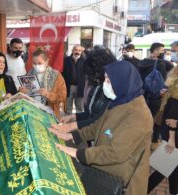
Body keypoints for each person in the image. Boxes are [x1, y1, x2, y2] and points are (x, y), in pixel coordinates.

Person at [50, 61, 153, 195]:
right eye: (105, 78)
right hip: (105, 172)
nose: (105, 84)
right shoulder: (119, 100)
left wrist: (77, 153)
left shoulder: (138, 115)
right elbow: (99, 126)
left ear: (123, 82)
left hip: (122, 181)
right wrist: (72, 135)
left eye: (110, 81)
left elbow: (115, 153)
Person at [58, 46, 116, 133]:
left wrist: (72, 127)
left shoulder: (111, 91)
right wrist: (73, 117)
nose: (90, 78)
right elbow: (91, 114)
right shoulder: (98, 87)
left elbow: (99, 122)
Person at [148, 66, 178, 195]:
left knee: (172, 165)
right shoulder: (175, 91)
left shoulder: (173, 88)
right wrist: (171, 138)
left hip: (169, 132)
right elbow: (172, 116)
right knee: (167, 165)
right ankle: (142, 189)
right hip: (173, 134)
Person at [139, 42, 173, 147]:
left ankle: (141, 139)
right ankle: (153, 140)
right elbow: (164, 79)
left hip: (143, 95)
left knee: (143, 118)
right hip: (156, 96)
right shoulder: (161, 64)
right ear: (156, 51)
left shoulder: (142, 62)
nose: (163, 52)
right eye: (162, 50)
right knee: (156, 118)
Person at [20, 49, 67, 119]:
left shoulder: (56, 75)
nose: (36, 66)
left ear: (46, 62)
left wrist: (48, 94)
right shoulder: (29, 74)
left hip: (50, 115)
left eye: (39, 63)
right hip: (32, 113)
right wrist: (22, 92)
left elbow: (62, 97)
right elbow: (26, 95)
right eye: (34, 63)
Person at [62, 45, 85, 114]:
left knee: (79, 107)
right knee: (67, 106)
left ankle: (78, 122)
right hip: (68, 86)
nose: (77, 52)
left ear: (81, 52)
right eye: (75, 50)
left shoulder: (85, 61)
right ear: (72, 50)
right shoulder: (66, 60)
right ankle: (67, 120)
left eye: (79, 50)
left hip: (80, 87)